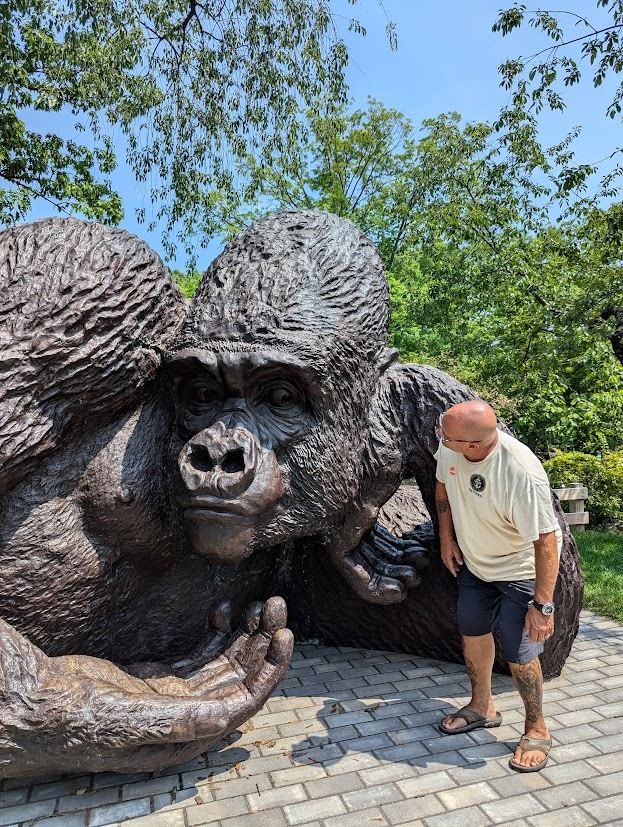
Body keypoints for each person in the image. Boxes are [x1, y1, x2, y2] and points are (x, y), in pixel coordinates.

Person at [434, 399, 562, 773]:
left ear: (473, 445)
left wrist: (543, 605)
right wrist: (447, 539)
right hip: (475, 567)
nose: (441, 440)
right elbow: (442, 485)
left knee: (519, 652)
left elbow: (546, 540)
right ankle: (482, 706)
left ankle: (536, 728)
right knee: (472, 633)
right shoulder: (452, 445)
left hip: (520, 572)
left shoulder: (521, 472)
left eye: (448, 436)